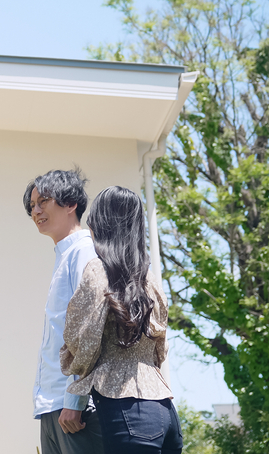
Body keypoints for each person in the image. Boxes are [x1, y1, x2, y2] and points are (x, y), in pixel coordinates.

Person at [60, 186, 182, 453]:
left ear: (98, 224)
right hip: (165, 410)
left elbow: (84, 340)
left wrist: (75, 382)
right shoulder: (149, 277)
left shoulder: (98, 269)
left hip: (124, 407)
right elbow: (160, 348)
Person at [23, 168, 104, 454]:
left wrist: (74, 399)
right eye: (32, 205)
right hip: (52, 406)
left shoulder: (83, 251)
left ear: (71, 204)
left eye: (43, 201)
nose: (36, 210)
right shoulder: (63, 256)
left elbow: (92, 326)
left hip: (72, 409)